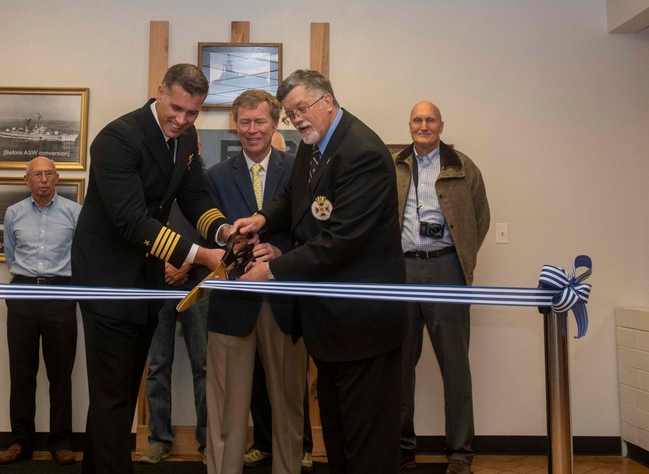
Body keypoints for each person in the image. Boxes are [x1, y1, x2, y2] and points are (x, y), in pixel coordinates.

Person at [231, 69, 407, 472]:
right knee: (339, 432)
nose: (297, 119)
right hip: (329, 323)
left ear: (327, 100)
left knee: (367, 441)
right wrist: (261, 220)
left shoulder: (361, 151)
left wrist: (273, 269)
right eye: (291, 114)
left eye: (301, 109)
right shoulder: (315, 145)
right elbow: (294, 196)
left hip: (363, 324)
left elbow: (341, 240)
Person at [70, 63, 230, 474]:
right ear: (159, 92)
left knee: (120, 390)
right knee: (112, 395)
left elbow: (195, 197)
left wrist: (224, 233)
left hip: (144, 280)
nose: (182, 120)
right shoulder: (117, 137)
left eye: (192, 113)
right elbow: (131, 221)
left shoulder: (187, 137)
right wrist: (202, 256)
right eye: (176, 108)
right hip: (106, 280)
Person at [202, 89, 305, 474]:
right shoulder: (214, 176)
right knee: (226, 408)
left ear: (275, 123)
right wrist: (229, 244)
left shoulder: (298, 170)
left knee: (288, 409)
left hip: (282, 303)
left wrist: (281, 256)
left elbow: (310, 233)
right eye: (244, 122)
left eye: (260, 121)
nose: (251, 130)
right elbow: (205, 236)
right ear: (235, 124)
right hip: (232, 305)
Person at [396, 101, 490, 474]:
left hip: (446, 269)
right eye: (417, 119)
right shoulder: (396, 165)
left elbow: (479, 218)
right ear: (409, 126)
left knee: (455, 364)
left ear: (441, 125)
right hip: (402, 271)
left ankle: (460, 453)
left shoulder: (463, 166)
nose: (423, 125)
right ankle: (402, 450)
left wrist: (458, 253)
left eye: (430, 119)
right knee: (399, 364)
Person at [0, 156, 80, 466]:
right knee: (21, 373)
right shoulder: (14, 213)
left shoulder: (74, 213)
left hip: (60, 294)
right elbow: (10, 254)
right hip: (22, 293)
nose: (43, 180)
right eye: (37, 175)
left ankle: (60, 442)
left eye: (48, 174)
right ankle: (21, 442)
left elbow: (82, 256)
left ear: (57, 178)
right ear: (26, 180)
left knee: (60, 375)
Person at [135, 203, 210, 465]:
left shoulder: (202, 187)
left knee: (204, 366)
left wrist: (185, 263)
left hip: (197, 283)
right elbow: (138, 230)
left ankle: (208, 444)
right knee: (157, 365)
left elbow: (210, 233)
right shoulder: (149, 188)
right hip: (157, 283)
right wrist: (163, 267)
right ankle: (158, 440)